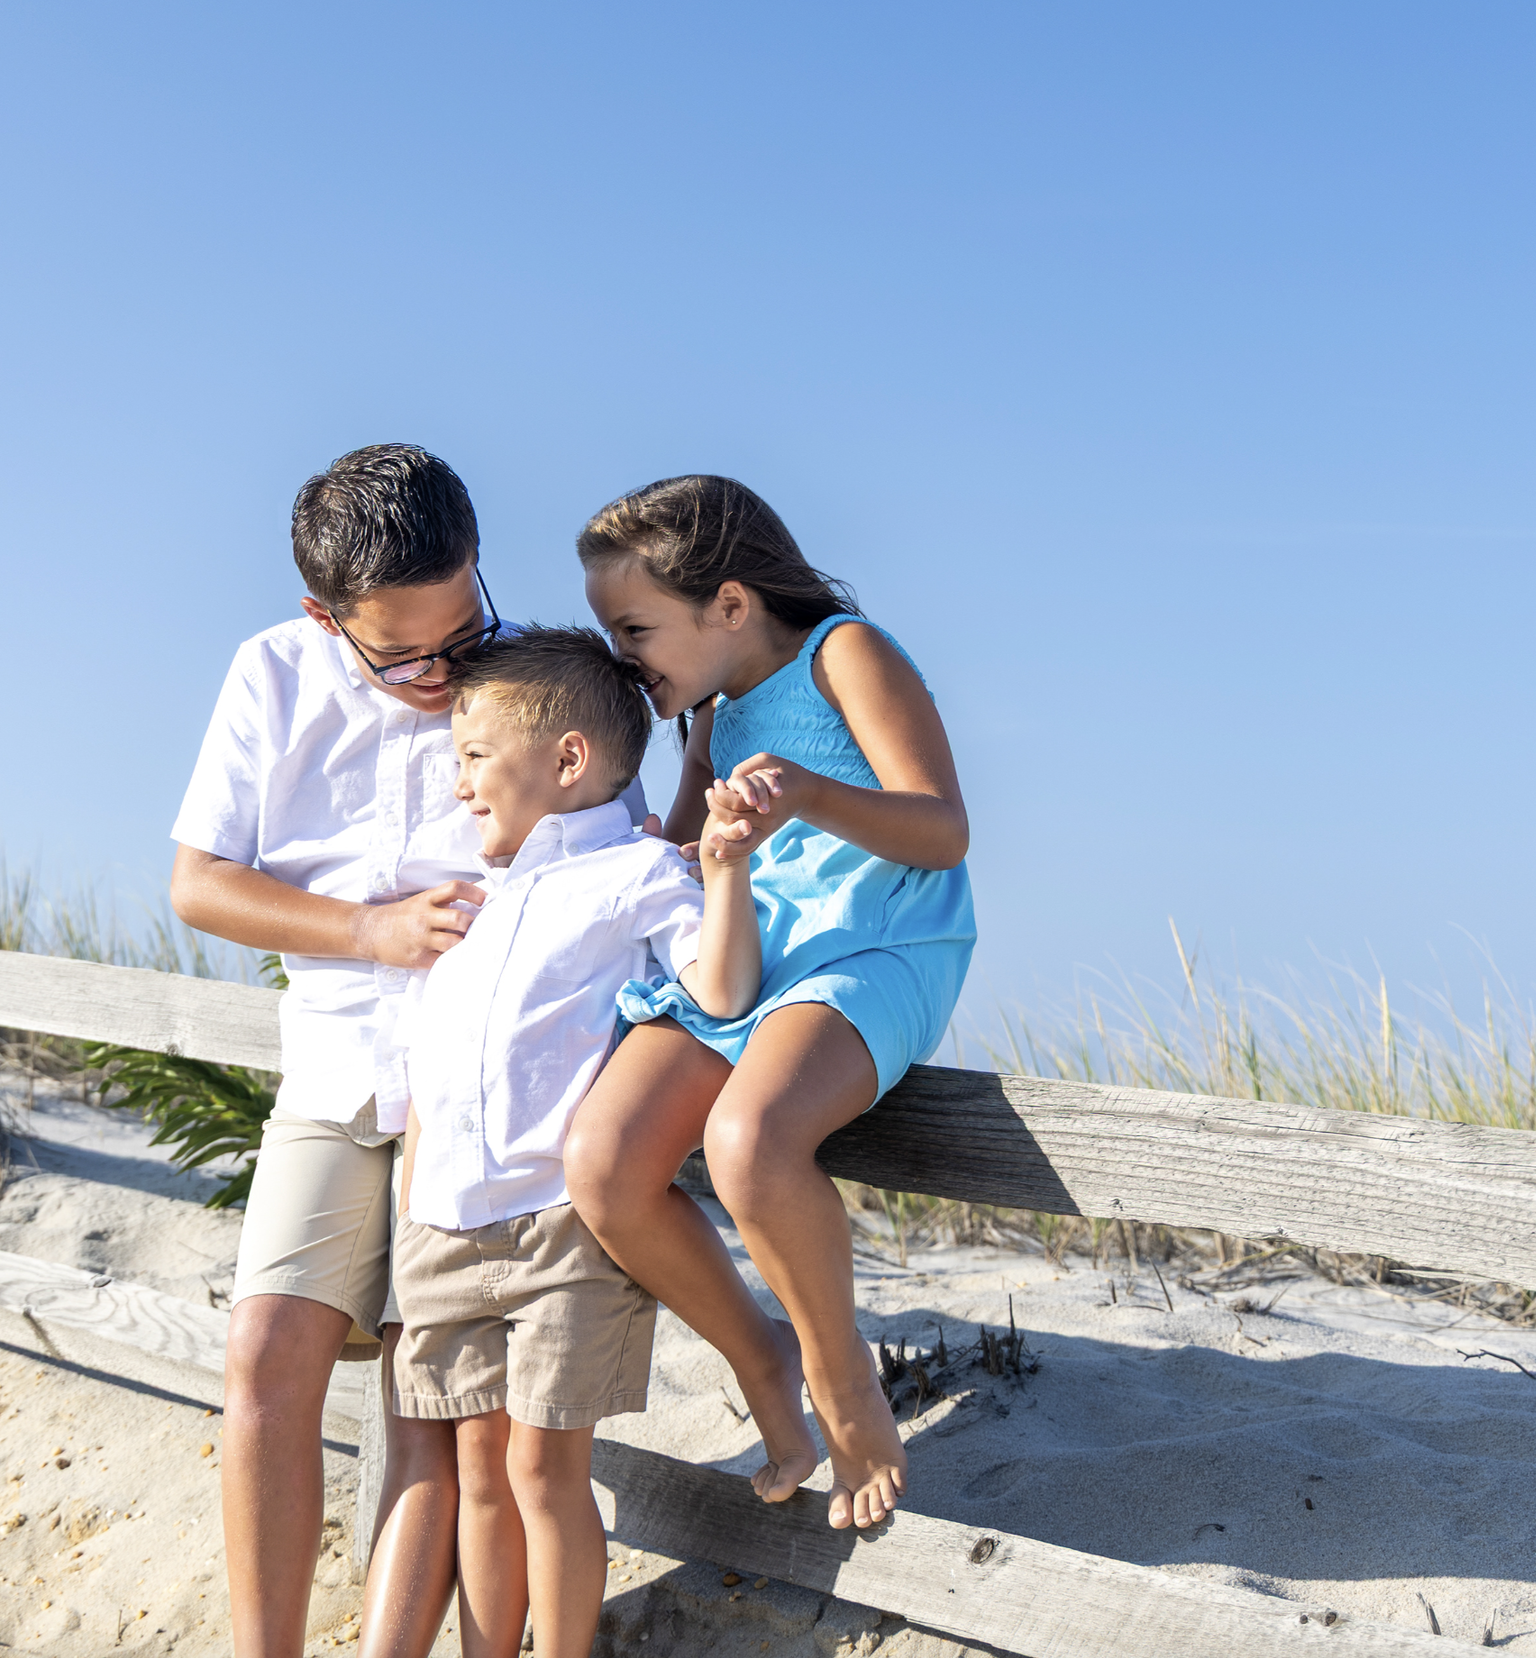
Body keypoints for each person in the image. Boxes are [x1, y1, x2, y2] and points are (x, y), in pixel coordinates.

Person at [170, 444, 651, 1655]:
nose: (443, 674)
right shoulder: (269, 676)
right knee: (264, 1354)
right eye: (402, 653)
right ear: (321, 617)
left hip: (488, 1099)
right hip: (335, 1065)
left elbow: (622, 853)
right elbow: (199, 882)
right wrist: (368, 931)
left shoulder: (531, 689)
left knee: (430, 1410)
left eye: (461, 627)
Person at [565, 474, 976, 1532]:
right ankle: (764, 1353)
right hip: (746, 958)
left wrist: (806, 791)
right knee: (601, 1161)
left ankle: (842, 1383)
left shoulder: (847, 650)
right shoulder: (708, 710)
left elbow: (941, 829)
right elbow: (679, 852)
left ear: (731, 605)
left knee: (748, 1138)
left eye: (635, 627)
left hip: (874, 943)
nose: (622, 654)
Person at [377, 626, 763, 1658]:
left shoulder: (635, 875)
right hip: (444, 1228)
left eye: (471, 755)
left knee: (545, 1471)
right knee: (478, 1474)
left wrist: (721, 868)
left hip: (555, 1231)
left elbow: (721, 989)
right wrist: (414, 1206)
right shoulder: (483, 903)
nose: (457, 783)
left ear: (566, 761)